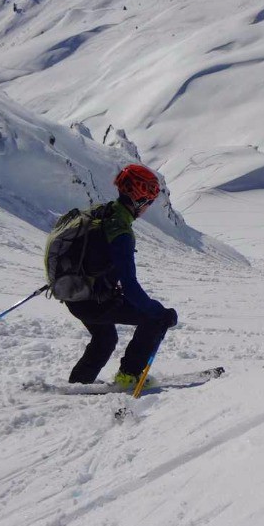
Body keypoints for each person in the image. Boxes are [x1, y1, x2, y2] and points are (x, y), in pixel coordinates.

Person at [66, 163, 178, 386]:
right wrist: (161, 313)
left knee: (105, 338)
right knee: (154, 318)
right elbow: (130, 285)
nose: (148, 207)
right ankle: (129, 376)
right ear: (140, 199)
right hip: (93, 301)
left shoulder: (101, 213)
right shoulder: (120, 230)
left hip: (75, 295)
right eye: (149, 201)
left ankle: (79, 383)